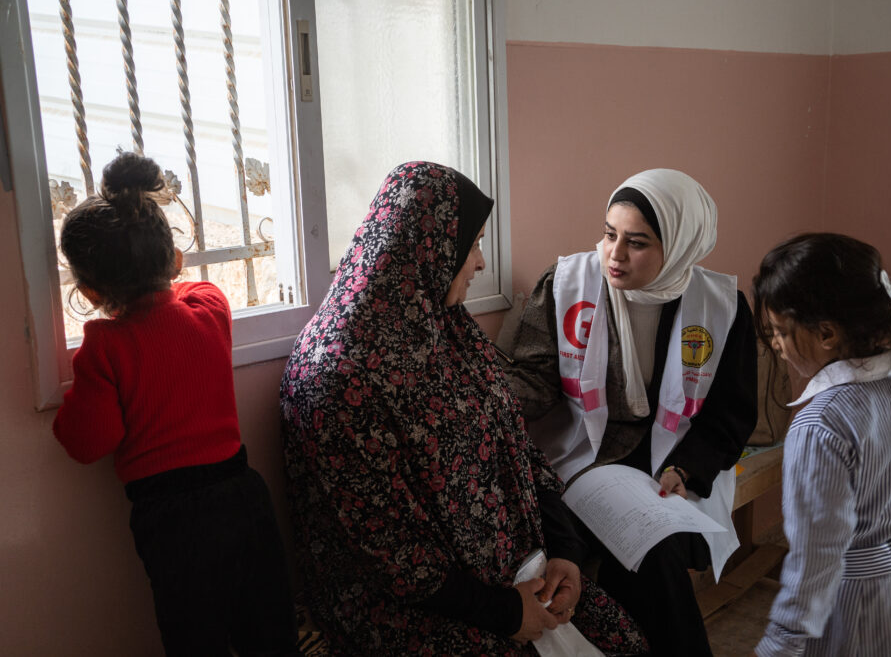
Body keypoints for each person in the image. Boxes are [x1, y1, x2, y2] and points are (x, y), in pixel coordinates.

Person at [279, 161, 649, 656]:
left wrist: (565, 553)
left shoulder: (445, 328)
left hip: (516, 567)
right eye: (472, 244)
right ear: (426, 248)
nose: (479, 263)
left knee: (622, 637)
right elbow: (388, 552)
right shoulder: (336, 377)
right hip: (416, 605)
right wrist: (505, 611)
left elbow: (519, 449)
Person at [503, 169, 758, 656]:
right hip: (584, 450)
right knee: (592, 551)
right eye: (609, 233)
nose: (615, 255)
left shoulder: (721, 308)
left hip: (674, 462)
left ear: (681, 245)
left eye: (636, 242)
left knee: (653, 550)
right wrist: (485, 400)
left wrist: (689, 469)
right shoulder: (566, 284)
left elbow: (730, 414)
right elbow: (534, 377)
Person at [52, 152, 298, 656]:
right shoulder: (208, 310)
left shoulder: (104, 347)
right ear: (176, 260)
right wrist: (163, 279)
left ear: (90, 291)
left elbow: (88, 441)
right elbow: (198, 289)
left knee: (196, 640)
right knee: (271, 632)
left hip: (174, 522)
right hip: (243, 494)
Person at [751, 232, 891, 656]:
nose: (776, 345)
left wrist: (781, 644)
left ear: (826, 334)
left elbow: (816, 560)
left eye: (781, 332)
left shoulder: (820, 424)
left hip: (860, 603)